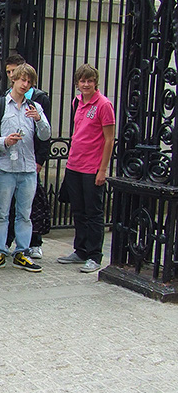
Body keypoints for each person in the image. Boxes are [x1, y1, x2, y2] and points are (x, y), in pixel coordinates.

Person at [0, 63, 51, 273]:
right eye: (22, 79)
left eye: (29, 81)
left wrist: (39, 120)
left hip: (28, 168)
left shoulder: (35, 107)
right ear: (13, 79)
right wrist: (4, 141)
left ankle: (22, 251)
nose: (25, 84)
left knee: (25, 213)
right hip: (6, 167)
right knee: (1, 213)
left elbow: (45, 135)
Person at [57, 64, 115, 273]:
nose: (86, 84)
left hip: (92, 167)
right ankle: (80, 250)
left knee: (93, 212)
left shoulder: (104, 105)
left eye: (90, 81)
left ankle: (94, 254)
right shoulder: (77, 102)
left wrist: (102, 170)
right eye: (83, 81)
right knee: (78, 210)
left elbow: (109, 140)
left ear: (95, 82)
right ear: (77, 83)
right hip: (75, 165)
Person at [4, 54, 51, 259]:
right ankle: (5, 242)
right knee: (7, 207)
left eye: (16, 72)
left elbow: (44, 134)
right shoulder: (4, 98)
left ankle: (33, 242)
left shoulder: (39, 99)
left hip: (30, 160)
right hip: (10, 159)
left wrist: (40, 160)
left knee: (31, 205)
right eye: (9, 73)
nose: (13, 76)